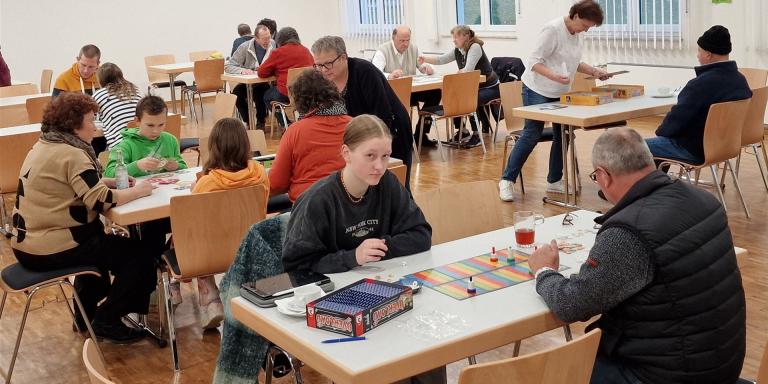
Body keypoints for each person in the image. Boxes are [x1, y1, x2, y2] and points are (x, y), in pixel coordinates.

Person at [528, 127, 746, 384]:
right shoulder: (703, 199)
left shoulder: (628, 233)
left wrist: (544, 271)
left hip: (668, 374)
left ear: (603, 176)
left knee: (551, 374)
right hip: (722, 363)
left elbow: (572, 305)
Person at [282, 114, 444, 384]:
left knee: (429, 347)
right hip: (337, 308)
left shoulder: (387, 184)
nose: (379, 166)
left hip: (383, 293)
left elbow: (421, 234)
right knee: (391, 363)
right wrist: (353, 257)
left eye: (385, 156)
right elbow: (297, 266)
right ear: (346, 153)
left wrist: (381, 248)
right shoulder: (318, 200)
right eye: (370, 156)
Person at [11, 92, 156, 343]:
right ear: (73, 125)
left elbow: (73, 185)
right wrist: (139, 191)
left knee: (100, 242)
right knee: (141, 257)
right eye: (91, 120)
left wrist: (108, 181)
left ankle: (85, 316)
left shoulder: (44, 145)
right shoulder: (73, 154)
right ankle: (106, 319)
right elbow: (100, 201)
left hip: (28, 245)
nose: (96, 127)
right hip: (53, 248)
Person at [498, 0, 612, 202]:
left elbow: (574, 62)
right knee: (531, 134)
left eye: (589, 28)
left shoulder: (577, 33)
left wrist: (595, 71)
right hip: (537, 89)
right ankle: (507, 180)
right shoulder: (552, 30)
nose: (585, 30)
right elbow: (533, 62)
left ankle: (554, 180)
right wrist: (555, 76)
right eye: (585, 25)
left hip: (560, 92)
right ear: (576, 16)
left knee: (563, 134)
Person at [191, 117, 270, 329]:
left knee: (190, 239)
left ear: (214, 148)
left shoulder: (206, 183)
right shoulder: (259, 174)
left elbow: (196, 221)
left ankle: (211, 298)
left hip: (212, 251)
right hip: (251, 245)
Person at [311, 36, 414, 189]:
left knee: (397, 187)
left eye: (328, 63)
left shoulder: (364, 71)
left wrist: (374, 149)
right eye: (319, 65)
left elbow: (383, 114)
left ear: (343, 58)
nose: (324, 70)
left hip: (393, 131)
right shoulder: (323, 80)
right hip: (362, 140)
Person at [647, 25, 752, 165]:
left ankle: (652, 179)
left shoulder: (700, 84)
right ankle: (660, 178)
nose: (697, 55)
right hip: (725, 147)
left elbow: (676, 120)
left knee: (634, 148)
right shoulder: (741, 81)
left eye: (699, 51)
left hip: (693, 149)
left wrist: (660, 133)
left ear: (708, 54)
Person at [268, 70, 350, 204]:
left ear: (300, 102)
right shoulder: (355, 125)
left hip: (308, 207)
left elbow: (277, 184)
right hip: (350, 205)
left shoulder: (295, 131)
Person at [418, 25, 499, 147]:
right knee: (455, 96)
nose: (454, 40)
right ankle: (463, 131)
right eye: (453, 37)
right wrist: (424, 59)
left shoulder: (475, 47)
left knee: (470, 99)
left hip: (491, 87)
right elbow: (441, 59)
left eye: (456, 37)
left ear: (466, 36)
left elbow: (468, 70)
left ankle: (476, 134)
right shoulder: (458, 50)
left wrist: (460, 72)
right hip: (474, 87)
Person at [372, 25, 441, 148]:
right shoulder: (383, 51)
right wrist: (389, 75)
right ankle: (399, 138)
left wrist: (428, 68)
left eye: (407, 40)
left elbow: (422, 65)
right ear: (393, 38)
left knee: (435, 92)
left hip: (410, 91)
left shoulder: (413, 48)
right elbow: (375, 73)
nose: (405, 44)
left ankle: (421, 134)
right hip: (392, 94)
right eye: (402, 41)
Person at [103, 95, 186, 177]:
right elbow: (109, 174)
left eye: (161, 124)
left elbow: (184, 168)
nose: (156, 131)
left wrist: (177, 166)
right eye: (150, 125)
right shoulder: (125, 146)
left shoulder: (170, 140)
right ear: (137, 121)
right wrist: (137, 165)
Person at [53, 44, 107, 153]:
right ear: (77, 60)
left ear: (98, 64)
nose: (86, 70)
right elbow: (57, 112)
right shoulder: (64, 79)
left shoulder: (103, 77)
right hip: (76, 132)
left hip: (102, 131)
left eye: (91, 67)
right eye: (83, 65)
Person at [257, 26, 314, 127]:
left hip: (287, 93)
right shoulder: (306, 50)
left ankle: (286, 124)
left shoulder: (278, 52)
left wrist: (275, 71)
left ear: (280, 39)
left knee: (267, 96)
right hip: (307, 92)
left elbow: (261, 72)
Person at [225, 25, 275, 129]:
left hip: (265, 82)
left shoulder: (273, 44)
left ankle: (261, 121)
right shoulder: (244, 47)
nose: (267, 41)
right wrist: (242, 71)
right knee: (237, 93)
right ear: (256, 38)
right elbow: (229, 66)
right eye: (264, 39)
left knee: (260, 92)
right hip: (249, 82)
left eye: (268, 37)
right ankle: (248, 120)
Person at [92, 63, 142, 149]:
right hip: (142, 141)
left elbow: (88, 116)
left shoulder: (100, 94)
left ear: (101, 80)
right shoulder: (135, 90)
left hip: (120, 146)